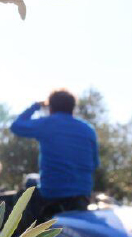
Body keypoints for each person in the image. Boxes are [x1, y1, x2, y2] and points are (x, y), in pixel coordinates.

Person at [11, 89, 99, 218]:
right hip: (82, 196)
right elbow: (95, 164)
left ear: (50, 108)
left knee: (30, 183)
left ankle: (20, 234)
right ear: (72, 108)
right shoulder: (88, 130)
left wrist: (36, 106)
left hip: (51, 195)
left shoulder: (47, 124)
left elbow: (16, 126)